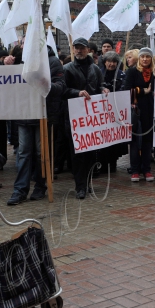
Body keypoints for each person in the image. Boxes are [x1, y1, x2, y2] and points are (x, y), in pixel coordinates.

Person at [7, 44, 65, 205]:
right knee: (24, 152)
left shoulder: (52, 61)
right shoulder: (18, 61)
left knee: (41, 153)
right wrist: (6, 67)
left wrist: (46, 84)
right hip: (24, 115)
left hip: (42, 115)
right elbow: (6, 83)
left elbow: (60, 86)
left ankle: (40, 186)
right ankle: (20, 190)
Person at [62, 37, 104, 199]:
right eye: (76, 48)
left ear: (88, 50)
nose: (79, 51)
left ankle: (88, 183)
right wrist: (76, 93)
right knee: (77, 154)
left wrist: (104, 89)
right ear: (73, 50)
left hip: (92, 119)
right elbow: (62, 90)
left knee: (91, 154)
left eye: (82, 48)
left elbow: (100, 86)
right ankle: (80, 186)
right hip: (75, 119)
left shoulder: (95, 69)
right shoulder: (67, 69)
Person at [124, 47, 155, 182]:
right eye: (142, 57)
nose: (145, 59)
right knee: (136, 141)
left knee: (147, 141)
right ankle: (135, 170)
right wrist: (142, 91)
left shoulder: (154, 74)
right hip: (136, 111)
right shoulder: (132, 72)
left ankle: (147, 169)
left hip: (149, 110)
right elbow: (126, 89)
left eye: (147, 57)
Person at [100, 51, 128, 173]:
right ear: (104, 62)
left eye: (114, 62)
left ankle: (113, 163)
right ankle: (103, 164)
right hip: (102, 113)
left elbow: (125, 89)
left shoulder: (122, 75)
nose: (111, 64)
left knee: (115, 140)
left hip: (116, 112)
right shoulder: (99, 73)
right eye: (109, 61)